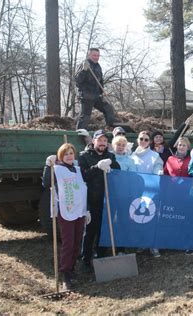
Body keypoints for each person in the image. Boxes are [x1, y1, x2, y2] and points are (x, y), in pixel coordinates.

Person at [43, 143, 89, 290]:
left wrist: (87, 210)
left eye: (71, 153)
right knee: (68, 243)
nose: (69, 156)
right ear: (60, 156)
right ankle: (65, 273)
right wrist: (47, 166)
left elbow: (84, 186)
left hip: (80, 210)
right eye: (66, 154)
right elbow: (46, 183)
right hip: (66, 210)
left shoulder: (77, 169)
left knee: (77, 241)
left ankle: (72, 268)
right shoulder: (57, 170)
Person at [78, 129, 120, 271]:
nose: (102, 143)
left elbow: (118, 171)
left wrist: (111, 163)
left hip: (107, 199)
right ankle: (86, 261)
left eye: (104, 140)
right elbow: (83, 176)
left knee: (105, 229)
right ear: (93, 141)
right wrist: (97, 167)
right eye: (99, 140)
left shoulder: (110, 155)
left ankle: (101, 257)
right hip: (91, 199)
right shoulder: (84, 156)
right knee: (90, 230)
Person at [131, 131, 163, 257]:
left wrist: (159, 171)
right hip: (135, 191)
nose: (143, 141)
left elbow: (158, 166)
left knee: (152, 218)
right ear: (137, 140)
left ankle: (153, 245)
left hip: (151, 191)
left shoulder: (154, 155)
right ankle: (141, 243)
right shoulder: (131, 155)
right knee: (138, 217)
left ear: (149, 141)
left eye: (146, 139)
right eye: (141, 139)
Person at [75, 48, 116, 129]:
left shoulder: (98, 66)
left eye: (98, 55)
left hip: (96, 95)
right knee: (85, 116)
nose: (96, 57)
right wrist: (84, 70)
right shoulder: (84, 65)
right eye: (94, 55)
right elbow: (78, 80)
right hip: (86, 95)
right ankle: (79, 132)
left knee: (108, 108)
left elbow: (100, 81)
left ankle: (110, 127)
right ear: (89, 55)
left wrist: (102, 91)